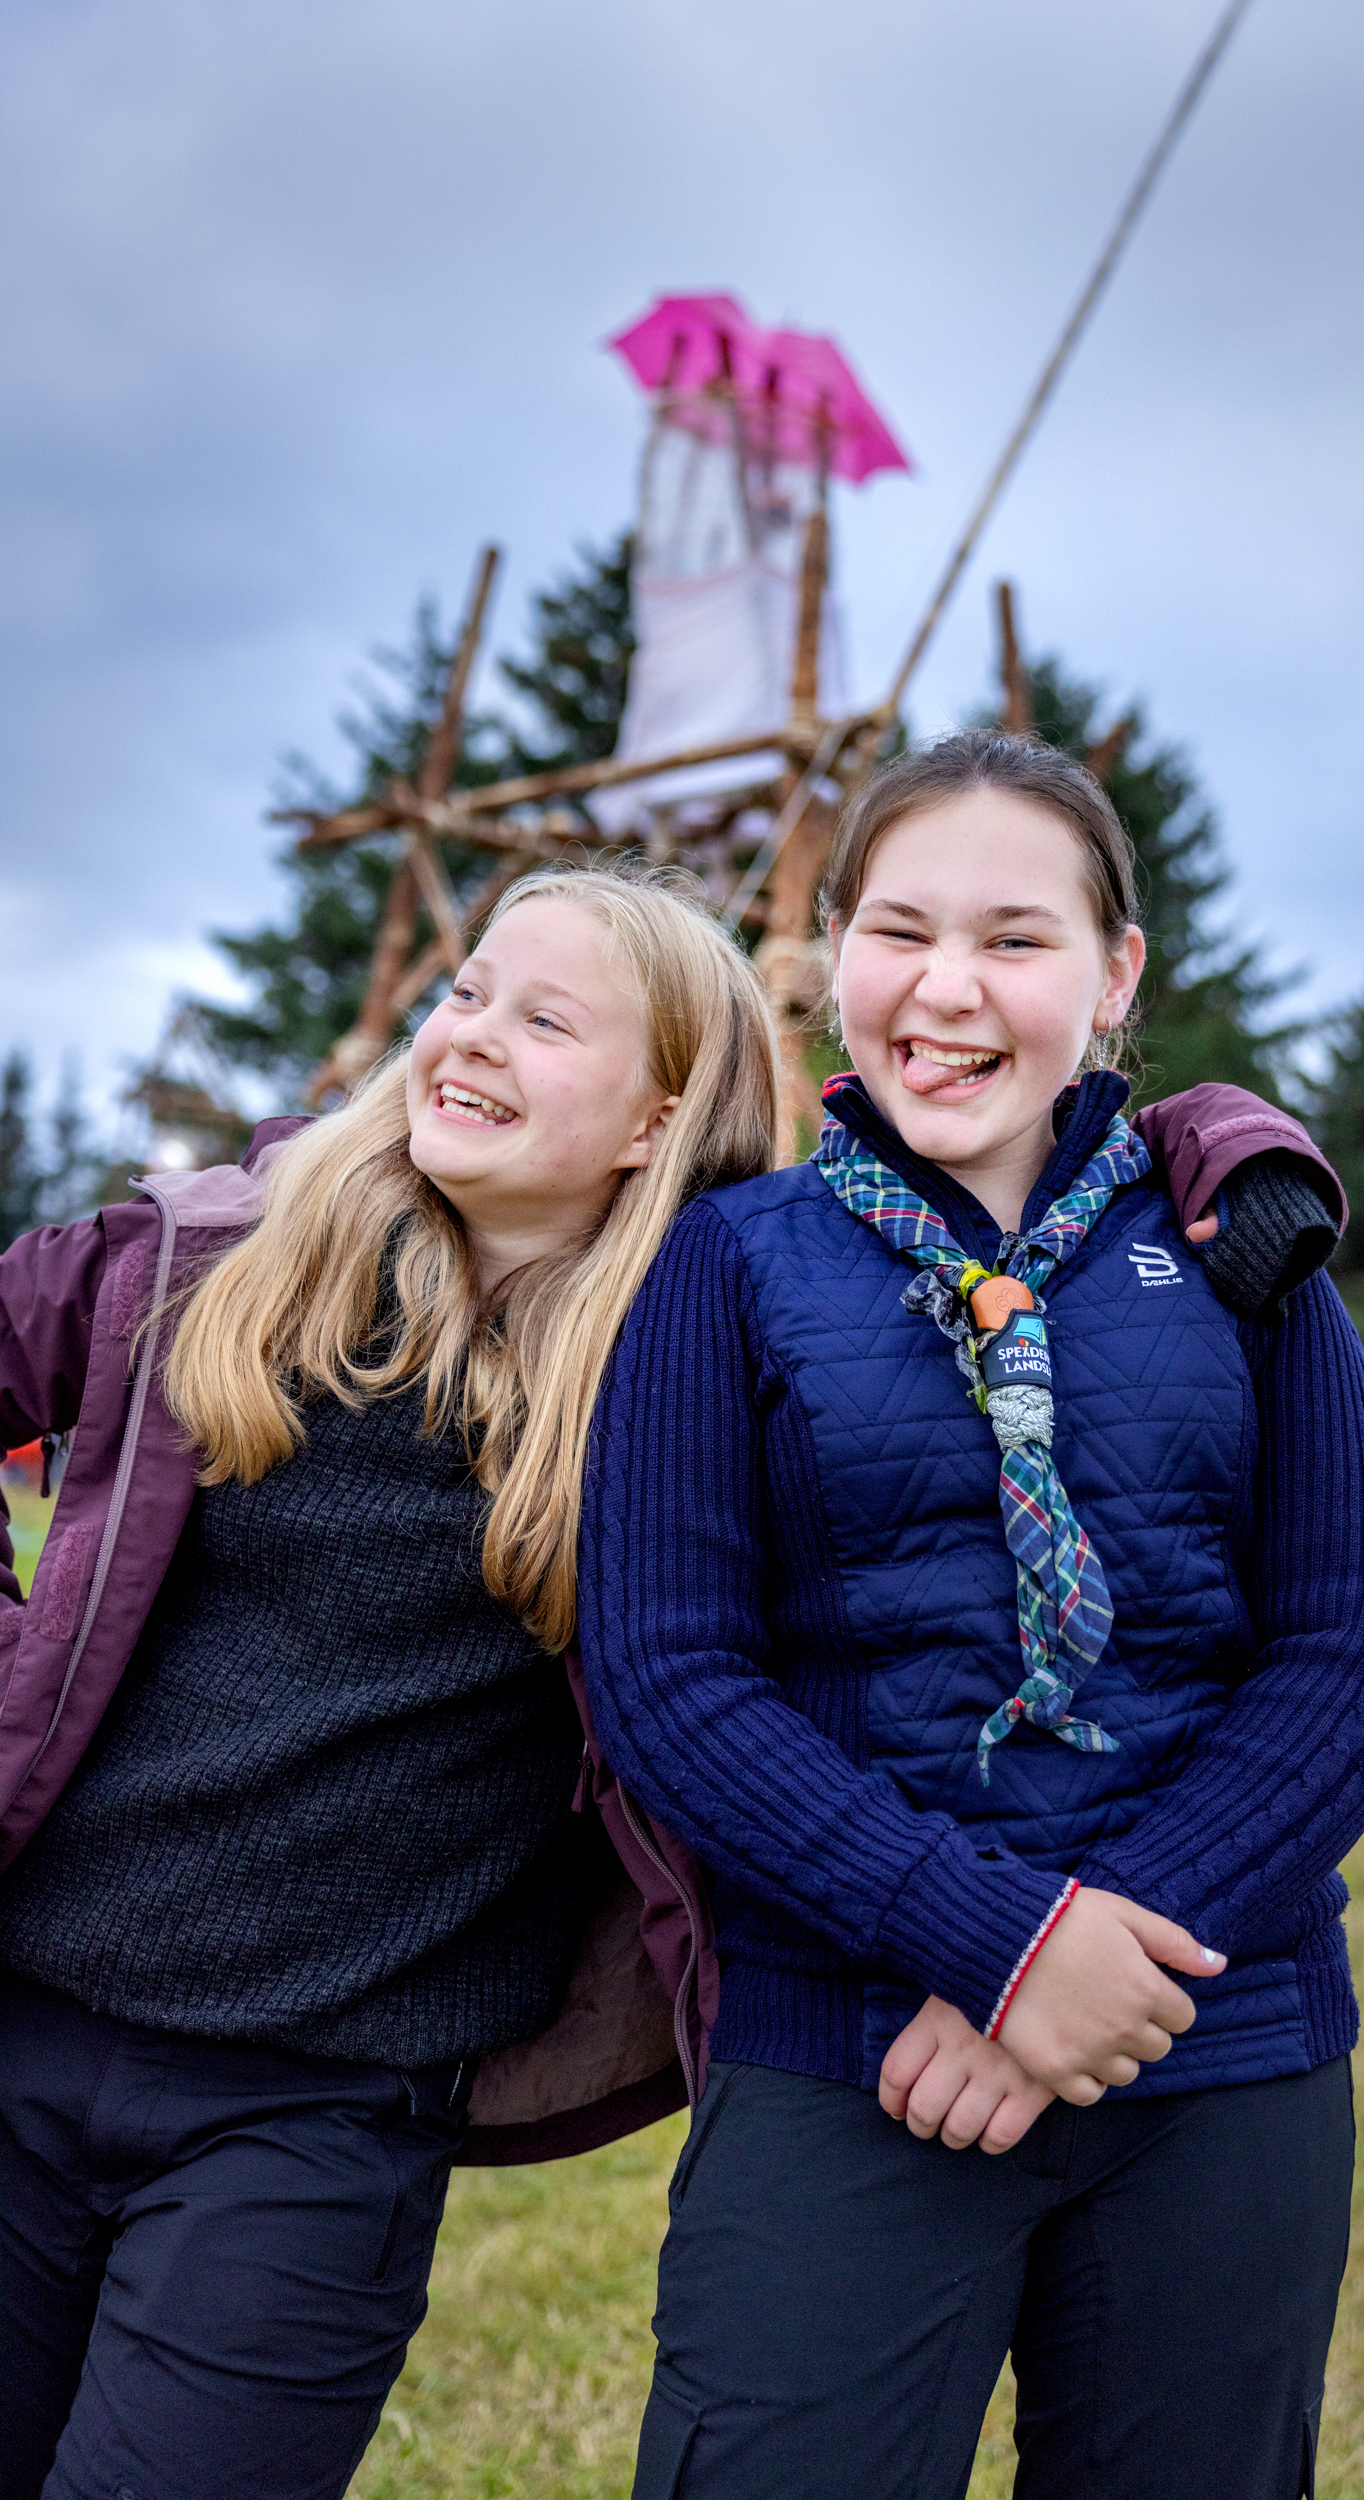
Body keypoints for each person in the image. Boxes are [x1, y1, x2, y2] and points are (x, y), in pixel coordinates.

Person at [579, 732, 1364, 2500]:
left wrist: (1105, 1941)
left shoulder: (1238, 1247)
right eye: (898, 931)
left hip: (1219, 2038)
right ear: (829, 960)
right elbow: (667, 1678)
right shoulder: (726, 1263)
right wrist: (991, 1945)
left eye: (1016, 939)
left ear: (1115, 978)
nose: (945, 991)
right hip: (852, 2045)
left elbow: (1357, 1652)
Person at [0, 868, 778, 2500]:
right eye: (468, 991)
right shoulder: (210, 1261)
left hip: (319, 2124)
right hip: (21, 2025)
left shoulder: (693, 1377)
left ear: (657, 1119)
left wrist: (1221, 1144)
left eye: (544, 1019)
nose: (470, 1034)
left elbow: (997, 1191)